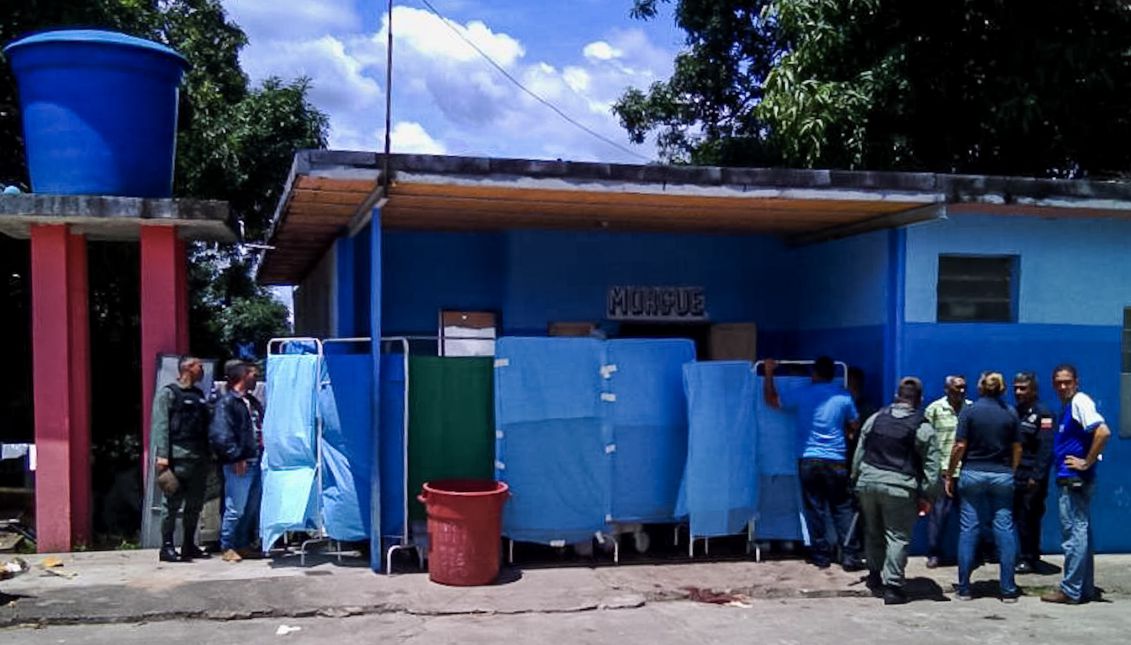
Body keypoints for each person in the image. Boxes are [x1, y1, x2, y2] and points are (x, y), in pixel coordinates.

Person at [764, 356, 862, 570]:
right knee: (842, 508)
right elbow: (855, 423)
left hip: (809, 458)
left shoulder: (803, 393)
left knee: (815, 507)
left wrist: (769, 372)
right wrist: (847, 431)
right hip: (836, 459)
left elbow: (771, 400)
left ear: (814, 374)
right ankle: (849, 555)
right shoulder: (843, 396)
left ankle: (821, 555)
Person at [852, 376, 940, 605]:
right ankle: (893, 587)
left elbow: (859, 453)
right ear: (919, 400)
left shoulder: (875, 419)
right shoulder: (922, 427)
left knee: (873, 531)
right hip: (900, 487)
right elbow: (932, 467)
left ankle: (873, 576)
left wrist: (856, 481)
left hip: (868, 482)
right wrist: (928, 496)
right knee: (897, 536)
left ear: (896, 396)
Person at [945, 372, 1021, 602]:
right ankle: (1007, 590)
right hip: (1002, 474)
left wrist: (950, 473)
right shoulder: (1010, 412)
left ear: (980, 388)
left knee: (969, 529)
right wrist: (1012, 470)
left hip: (972, 472)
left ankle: (965, 588)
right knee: (1004, 529)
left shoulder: (970, 411)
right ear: (1002, 389)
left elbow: (960, 445)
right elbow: (1017, 447)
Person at [1041, 364, 1112, 604]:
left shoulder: (1081, 401)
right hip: (1072, 478)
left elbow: (1103, 432)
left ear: (1076, 382)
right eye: (1058, 382)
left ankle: (1071, 589)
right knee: (1081, 533)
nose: (1063, 386)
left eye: (1067, 381)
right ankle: (1084, 588)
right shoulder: (1068, 407)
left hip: (1075, 479)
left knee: (1074, 534)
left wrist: (1085, 462)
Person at [151, 356, 214, 563]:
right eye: (199, 365)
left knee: (195, 505)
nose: (202, 369)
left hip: (199, 458)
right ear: (187, 368)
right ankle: (167, 547)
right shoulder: (169, 393)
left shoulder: (198, 395)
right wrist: (162, 456)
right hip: (177, 458)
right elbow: (161, 425)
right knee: (171, 504)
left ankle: (189, 545)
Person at [210, 361, 263, 563]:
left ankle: (242, 544)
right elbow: (220, 434)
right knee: (236, 507)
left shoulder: (250, 401)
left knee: (251, 507)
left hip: (255, 459)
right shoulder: (227, 403)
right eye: (253, 375)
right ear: (243, 376)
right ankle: (227, 545)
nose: (256, 379)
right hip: (240, 463)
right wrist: (236, 456)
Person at [923, 375, 971, 568]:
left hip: (966, 470)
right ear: (946, 389)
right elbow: (925, 439)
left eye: (963, 387)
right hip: (943, 471)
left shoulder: (971, 408)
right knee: (939, 515)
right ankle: (934, 552)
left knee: (969, 515)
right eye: (956, 388)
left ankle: (968, 554)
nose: (960, 391)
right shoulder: (934, 409)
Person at [1012, 372, 1055, 574]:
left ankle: (1029, 557)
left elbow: (1045, 449)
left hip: (1031, 477)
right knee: (1017, 517)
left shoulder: (1043, 414)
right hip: (1016, 474)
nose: (1018, 392)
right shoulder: (1015, 412)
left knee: (1029, 516)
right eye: (1016, 388)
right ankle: (1021, 554)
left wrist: (1036, 477)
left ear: (1034, 390)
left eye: (1023, 388)